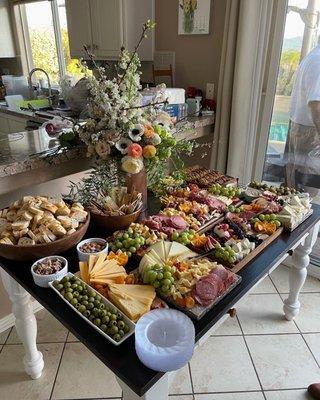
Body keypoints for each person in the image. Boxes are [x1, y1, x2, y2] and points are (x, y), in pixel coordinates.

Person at [284, 38, 320, 196]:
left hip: (299, 126)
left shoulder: (312, 56)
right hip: (310, 130)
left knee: (294, 183)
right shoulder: (318, 61)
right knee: (306, 188)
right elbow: (316, 105)